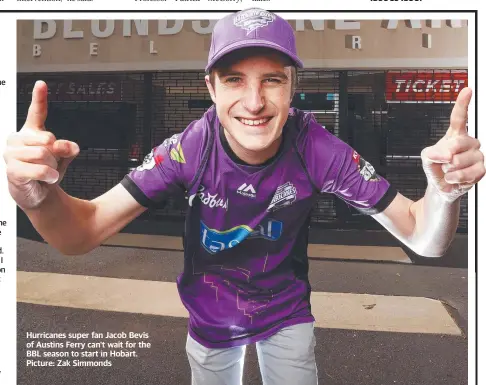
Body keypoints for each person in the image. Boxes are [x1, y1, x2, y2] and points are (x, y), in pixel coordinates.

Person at [4, 8, 484, 385]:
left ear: (293, 87)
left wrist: (443, 194)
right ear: (210, 87)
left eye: (272, 79)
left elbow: (425, 240)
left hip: (286, 312)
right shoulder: (191, 147)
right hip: (210, 316)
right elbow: (80, 233)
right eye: (235, 79)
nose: (254, 103)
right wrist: (39, 199)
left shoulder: (319, 149)